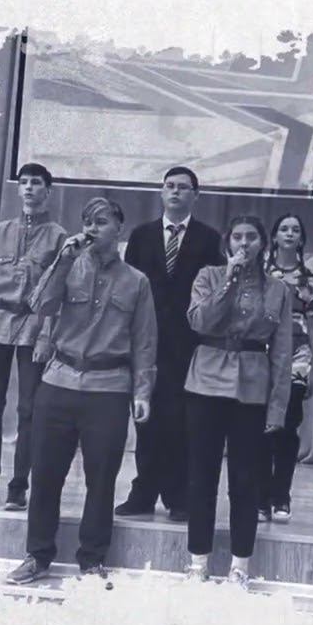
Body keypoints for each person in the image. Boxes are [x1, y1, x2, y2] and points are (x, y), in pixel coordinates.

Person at [5, 197, 156, 584]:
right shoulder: (68, 265)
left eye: (101, 222)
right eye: (87, 221)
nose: (92, 228)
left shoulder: (136, 281)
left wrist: (142, 392)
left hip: (109, 388)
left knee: (101, 478)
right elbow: (39, 306)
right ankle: (37, 556)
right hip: (59, 381)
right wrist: (62, 261)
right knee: (46, 475)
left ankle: (92, 559)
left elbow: (144, 343)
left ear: (119, 228)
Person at [182, 215, 292, 588]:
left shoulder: (278, 289)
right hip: (206, 382)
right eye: (237, 237)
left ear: (263, 244)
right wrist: (229, 279)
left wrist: (277, 406)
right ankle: (198, 561)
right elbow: (200, 322)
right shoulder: (208, 276)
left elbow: (282, 352)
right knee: (201, 476)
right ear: (227, 243)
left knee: (245, 479)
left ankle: (240, 565)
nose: (244, 244)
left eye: (252, 237)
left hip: (252, 387)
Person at [117, 166, 224, 521]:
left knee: (181, 421)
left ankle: (179, 496)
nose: (175, 192)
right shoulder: (141, 235)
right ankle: (143, 493)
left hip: (189, 344)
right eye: (170, 186)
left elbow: (214, 292)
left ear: (196, 195)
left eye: (183, 187)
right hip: (146, 341)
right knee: (146, 418)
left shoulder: (209, 239)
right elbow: (128, 286)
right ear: (162, 192)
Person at [0, 163, 68, 509]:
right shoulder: (0, 232)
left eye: (36, 183)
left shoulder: (58, 237)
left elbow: (58, 294)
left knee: (28, 409)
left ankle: (19, 485)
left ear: (47, 191)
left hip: (33, 327)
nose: (29, 188)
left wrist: (46, 337)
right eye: (23, 182)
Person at [259, 213, 313, 524]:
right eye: (283, 228)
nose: (289, 233)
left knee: (287, 427)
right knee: (261, 429)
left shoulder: (310, 279)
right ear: (274, 236)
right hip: (262, 355)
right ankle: (260, 498)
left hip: (298, 357)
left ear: (301, 238)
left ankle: (281, 496)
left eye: (295, 229)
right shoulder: (261, 271)